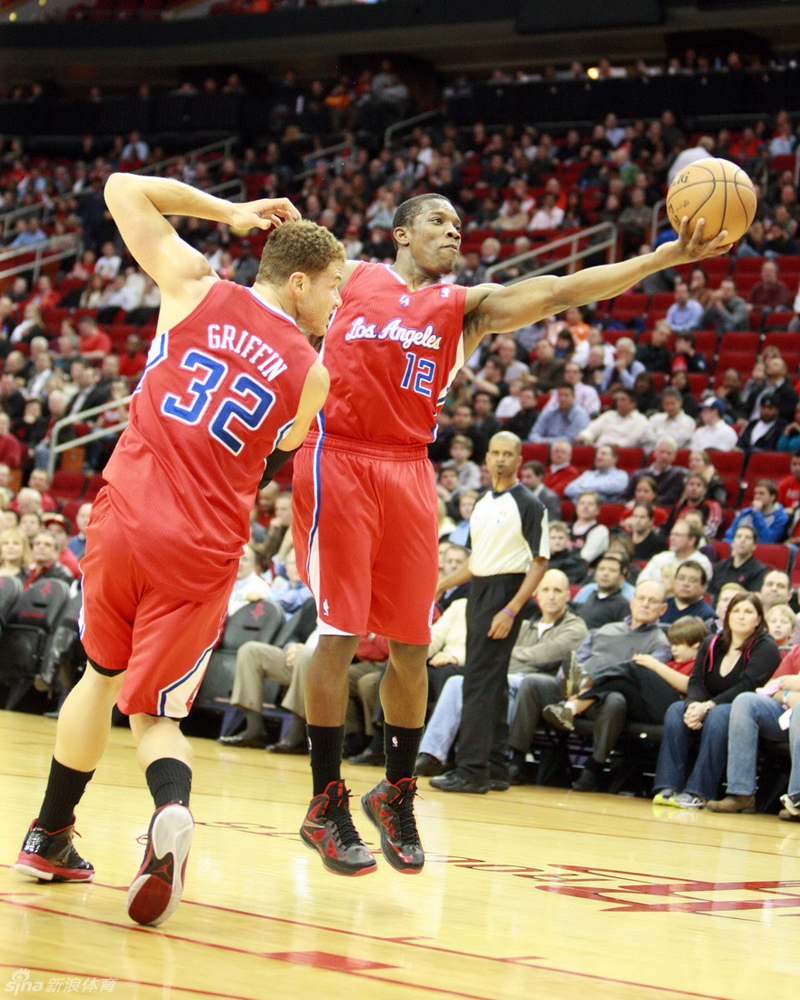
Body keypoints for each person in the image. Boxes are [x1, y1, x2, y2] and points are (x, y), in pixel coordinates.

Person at [290, 191, 728, 875]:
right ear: (400, 231)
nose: (454, 231)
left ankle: (396, 792)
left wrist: (667, 255)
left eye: (460, 225)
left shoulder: (463, 308)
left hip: (409, 468)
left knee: (411, 644)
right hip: (337, 455)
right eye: (439, 220)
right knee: (340, 634)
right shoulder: (353, 278)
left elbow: (559, 289)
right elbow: (284, 281)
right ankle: (325, 801)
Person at [13, 173, 341, 928]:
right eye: (330, 290)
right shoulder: (312, 374)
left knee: (99, 674)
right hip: (199, 546)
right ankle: (170, 814)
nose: (336, 305)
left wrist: (225, 211)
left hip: (124, 514)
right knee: (157, 714)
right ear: (296, 283)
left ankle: (49, 833)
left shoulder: (192, 282)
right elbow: (273, 451)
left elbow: (122, 185)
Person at [427, 431, 549, 794]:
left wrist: (511, 610)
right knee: (490, 682)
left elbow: (540, 563)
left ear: (519, 460)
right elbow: (476, 562)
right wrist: (442, 584)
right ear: (487, 459)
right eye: (494, 452)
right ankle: (496, 768)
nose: (499, 459)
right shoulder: (481, 500)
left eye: (507, 454)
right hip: (480, 588)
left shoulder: (529, 504)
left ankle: (471, 770)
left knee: (477, 680)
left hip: (506, 592)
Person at [416, 569, 587, 778]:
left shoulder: (576, 627)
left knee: (509, 687)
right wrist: (511, 656)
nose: (551, 596)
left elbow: (542, 656)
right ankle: (432, 755)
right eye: (546, 590)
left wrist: (511, 655)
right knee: (456, 682)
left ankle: (499, 760)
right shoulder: (526, 625)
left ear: (568, 595)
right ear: (537, 594)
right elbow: (511, 656)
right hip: (511, 678)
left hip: (545, 687)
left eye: (557, 591)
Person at [510, 580, 672, 787]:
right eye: (641, 598)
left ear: (663, 608)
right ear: (632, 601)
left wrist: (590, 686)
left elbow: (641, 680)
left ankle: (593, 770)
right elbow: (575, 660)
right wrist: (569, 682)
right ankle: (516, 761)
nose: (645, 604)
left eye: (653, 601)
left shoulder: (659, 643)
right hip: (574, 690)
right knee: (533, 683)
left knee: (616, 700)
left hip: (606, 701)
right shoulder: (605, 630)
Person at [544, 615, 708, 792]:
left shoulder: (700, 663)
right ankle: (571, 709)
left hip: (677, 711)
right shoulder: (674, 662)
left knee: (635, 666)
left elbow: (689, 685)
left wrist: (655, 666)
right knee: (621, 682)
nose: (673, 649)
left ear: (696, 645)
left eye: (678, 644)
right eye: (672, 644)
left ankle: (584, 683)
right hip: (652, 709)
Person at [652, 593, 780, 808]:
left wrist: (708, 706)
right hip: (706, 704)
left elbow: (747, 686)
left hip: (742, 711)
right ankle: (668, 786)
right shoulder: (712, 643)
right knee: (676, 709)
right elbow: (696, 680)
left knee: (720, 715)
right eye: (736, 611)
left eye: (748, 612)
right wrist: (694, 704)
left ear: (758, 619)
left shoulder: (765, 646)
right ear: (727, 616)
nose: (740, 617)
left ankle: (699, 791)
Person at [707, 642, 800, 815]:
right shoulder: (797, 651)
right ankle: (742, 794)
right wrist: (788, 695)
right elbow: (771, 688)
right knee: (746, 701)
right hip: (786, 716)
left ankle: (797, 799)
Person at [571, 552, 631, 629]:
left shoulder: (623, 605)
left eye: (612, 570)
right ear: (595, 575)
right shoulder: (591, 595)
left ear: (621, 578)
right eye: (601, 569)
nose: (605, 574)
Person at [709, 525, 769, 598]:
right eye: (738, 536)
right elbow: (711, 593)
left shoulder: (759, 570)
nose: (742, 540)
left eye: (747, 538)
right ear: (733, 542)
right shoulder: (720, 566)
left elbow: (753, 599)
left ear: (754, 546)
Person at [724, 480, 789, 544]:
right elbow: (729, 536)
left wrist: (757, 514)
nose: (757, 497)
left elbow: (768, 541)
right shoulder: (745, 513)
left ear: (772, 497)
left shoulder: (781, 517)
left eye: (762, 493)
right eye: (755, 493)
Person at [564, 444, 628, 504]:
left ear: (614, 459)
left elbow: (610, 488)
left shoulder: (620, 475)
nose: (598, 457)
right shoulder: (588, 474)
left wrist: (584, 487)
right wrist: (593, 491)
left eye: (603, 454)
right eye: (597, 454)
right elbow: (569, 490)